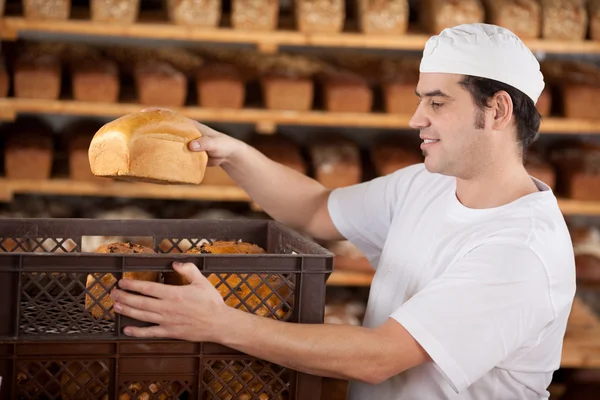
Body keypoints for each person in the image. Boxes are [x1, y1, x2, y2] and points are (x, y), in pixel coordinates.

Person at [109, 23, 576, 399]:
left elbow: (380, 357)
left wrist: (218, 323)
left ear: (497, 110)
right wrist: (229, 151)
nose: (417, 119)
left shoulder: (521, 250)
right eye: (421, 101)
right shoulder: (426, 185)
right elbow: (315, 210)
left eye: (437, 103)